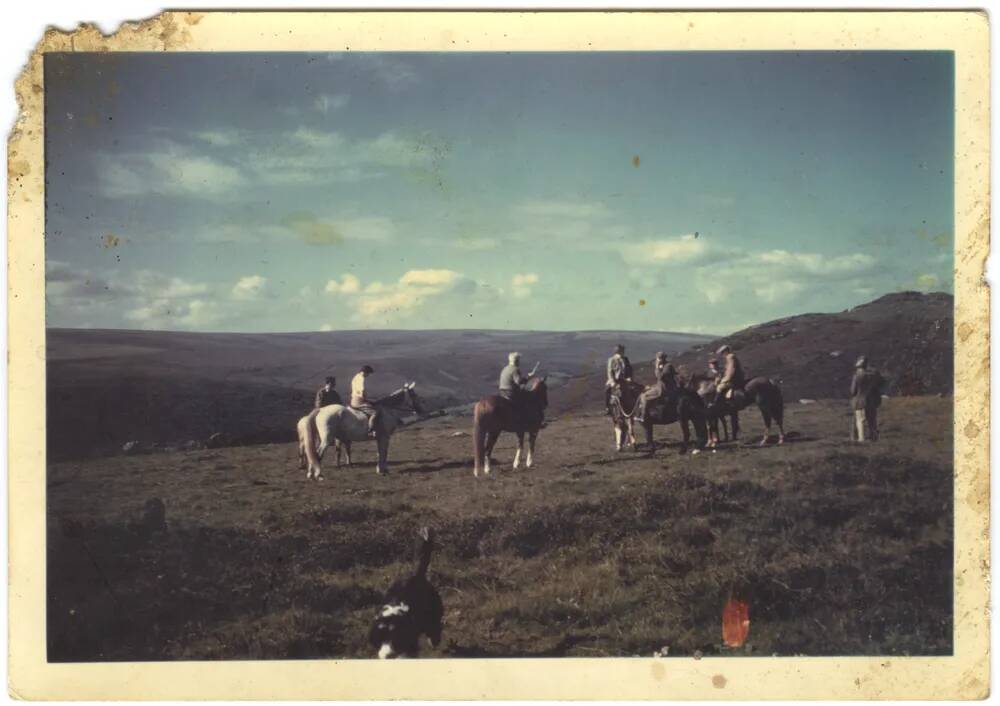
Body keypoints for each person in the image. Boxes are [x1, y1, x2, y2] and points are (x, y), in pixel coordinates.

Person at [635, 351, 679, 423]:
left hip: (664, 389)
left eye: (658, 359)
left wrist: (657, 368)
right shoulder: (666, 365)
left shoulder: (668, 366)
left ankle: (643, 416)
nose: (657, 360)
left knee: (644, 396)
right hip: (661, 386)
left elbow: (660, 377)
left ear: (661, 359)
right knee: (647, 391)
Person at [850, 355, 884, 441]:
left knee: (860, 420)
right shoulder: (873, 376)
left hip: (860, 401)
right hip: (871, 400)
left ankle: (861, 438)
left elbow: (853, 391)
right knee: (872, 421)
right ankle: (874, 438)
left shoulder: (856, 376)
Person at [351, 365, 379, 437]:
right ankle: (370, 430)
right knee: (374, 413)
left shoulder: (356, 376)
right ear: (363, 372)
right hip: (359, 401)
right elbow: (362, 391)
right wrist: (368, 399)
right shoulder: (361, 378)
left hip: (353, 399)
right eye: (368, 373)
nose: (368, 375)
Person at [605, 344, 634, 414]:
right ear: (618, 351)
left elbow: (630, 370)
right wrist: (612, 382)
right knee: (607, 390)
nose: (623, 352)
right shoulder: (611, 360)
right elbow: (610, 371)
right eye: (622, 350)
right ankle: (608, 407)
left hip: (625, 380)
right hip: (615, 380)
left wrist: (630, 377)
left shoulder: (626, 359)